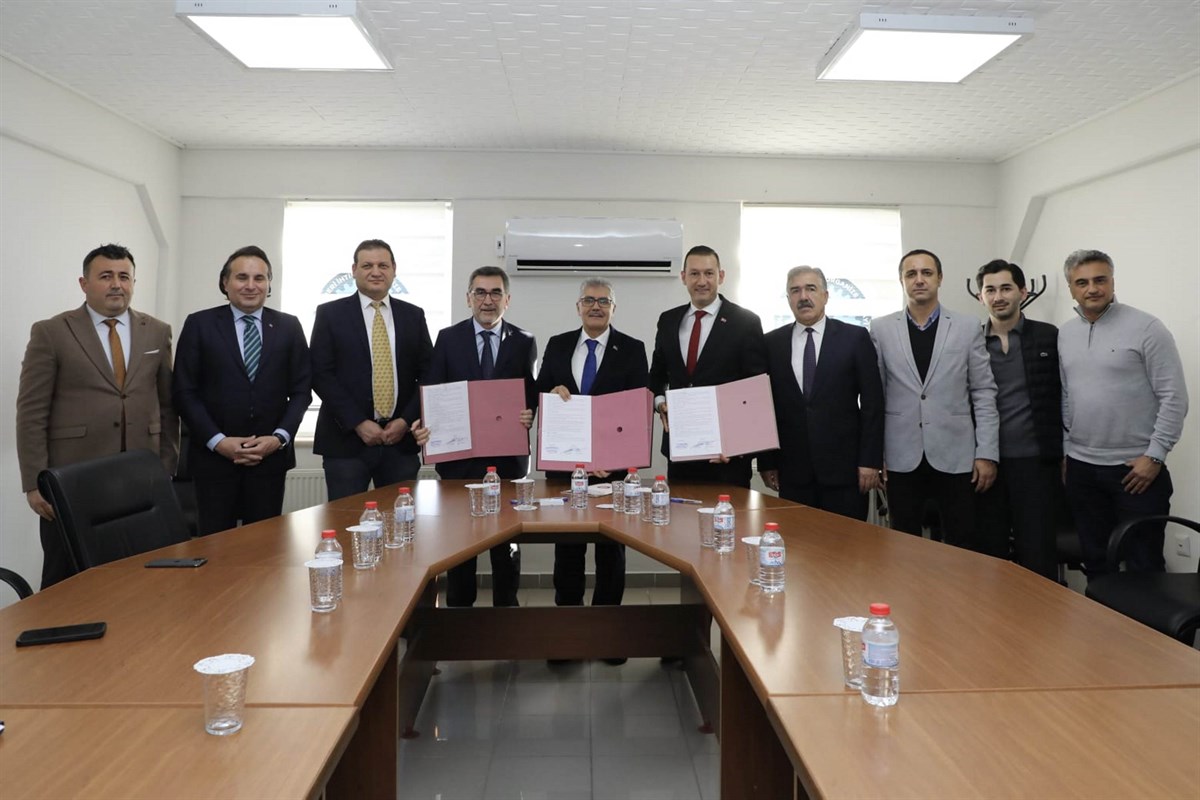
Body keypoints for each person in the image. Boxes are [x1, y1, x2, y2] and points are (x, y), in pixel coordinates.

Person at [16, 243, 179, 588]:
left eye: (124, 277)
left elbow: (168, 406)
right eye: (106, 276)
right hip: (72, 476)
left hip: (139, 477)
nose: (116, 284)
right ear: (84, 283)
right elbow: (31, 411)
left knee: (139, 580)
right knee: (65, 581)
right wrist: (33, 482)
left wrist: (166, 466)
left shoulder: (157, 330)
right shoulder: (52, 332)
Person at [1058, 249, 1188, 576]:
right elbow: (1066, 396)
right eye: (1082, 282)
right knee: (1096, 564)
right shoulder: (1066, 334)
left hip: (1135, 471)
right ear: (1071, 288)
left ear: (1113, 282)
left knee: (1145, 567)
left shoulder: (1147, 328)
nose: (1092, 289)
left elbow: (1174, 397)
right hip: (1082, 469)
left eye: (1100, 280)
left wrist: (1155, 456)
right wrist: (1067, 451)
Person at [414, 266, 536, 607]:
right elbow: (433, 389)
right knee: (460, 542)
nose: (487, 300)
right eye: (480, 292)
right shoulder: (448, 338)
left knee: (506, 543)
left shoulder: (524, 340)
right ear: (468, 298)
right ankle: (459, 613)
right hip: (459, 461)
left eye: (496, 293)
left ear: (507, 300)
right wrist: (425, 424)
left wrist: (530, 412)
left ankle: (506, 612)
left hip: (507, 461)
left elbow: (530, 392)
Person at [172, 246, 312, 535]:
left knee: (263, 545)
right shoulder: (199, 324)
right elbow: (184, 391)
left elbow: (301, 391)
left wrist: (279, 438)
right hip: (213, 460)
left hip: (269, 460)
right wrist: (218, 441)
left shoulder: (289, 326)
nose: (251, 285)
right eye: (241, 277)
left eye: (259, 278)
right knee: (215, 546)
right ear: (225, 283)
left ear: (269, 284)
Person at [536, 277, 649, 622]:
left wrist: (611, 458)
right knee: (567, 547)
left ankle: (607, 623)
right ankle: (568, 623)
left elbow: (636, 411)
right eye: (588, 300)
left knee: (610, 549)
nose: (595, 306)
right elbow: (540, 394)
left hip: (611, 472)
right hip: (565, 469)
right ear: (578, 307)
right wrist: (550, 394)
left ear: (614, 308)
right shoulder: (557, 344)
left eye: (603, 301)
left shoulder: (632, 348)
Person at [869, 249, 998, 549]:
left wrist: (987, 453)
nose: (919, 280)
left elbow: (983, 392)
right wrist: (877, 455)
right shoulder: (881, 328)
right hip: (901, 456)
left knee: (961, 544)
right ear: (901, 281)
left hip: (957, 455)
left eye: (926, 273)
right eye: (911, 274)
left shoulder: (967, 326)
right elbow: (876, 397)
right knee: (904, 546)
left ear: (940, 278)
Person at [309, 239, 432, 501]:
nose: (376, 272)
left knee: (400, 519)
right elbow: (321, 373)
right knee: (345, 519)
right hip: (346, 443)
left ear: (394, 270)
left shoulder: (413, 315)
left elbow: (428, 374)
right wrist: (358, 422)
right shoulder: (330, 314)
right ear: (354, 270)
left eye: (383, 265)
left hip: (400, 442)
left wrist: (405, 421)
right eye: (367, 265)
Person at [758, 266, 883, 521]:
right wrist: (767, 461)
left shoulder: (854, 338)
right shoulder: (771, 343)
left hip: (846, 472)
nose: (803, 296)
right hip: (793, 473)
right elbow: (763, 406)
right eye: (795, 291)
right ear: (788, 298)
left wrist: (870, 461)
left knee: (847, 542)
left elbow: (873, 403)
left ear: (825, 295)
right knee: (798, 542)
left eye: (811, 289)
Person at [648, 245, 767, 487]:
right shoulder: (668, 320)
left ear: (721, 276)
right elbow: (656, 375)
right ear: (683, 277)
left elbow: (756, 391)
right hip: (680, 450)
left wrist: (737, 445)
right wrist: (660, 403)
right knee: (679, 511)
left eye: (709, 273)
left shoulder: (746, 322)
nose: (702, 281)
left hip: (727, 456)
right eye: (694, 274)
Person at [972, 260, 1063, 579]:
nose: (998, 297)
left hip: (1037, 463)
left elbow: (1063, 395)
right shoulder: (971, 341)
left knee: (1038, 554)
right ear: (981, 297)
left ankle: (1042, 612)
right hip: (986, 466)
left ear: (1023, 292)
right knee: (989, 557)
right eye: (990, 290)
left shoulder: (1048, 336)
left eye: (1006, 288)